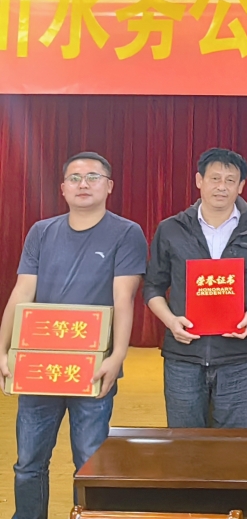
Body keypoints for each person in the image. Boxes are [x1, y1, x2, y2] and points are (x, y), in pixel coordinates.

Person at [0, 152, 147, 519]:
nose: (84, 184)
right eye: (75, 177)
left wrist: (117, 356)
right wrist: (3, 350)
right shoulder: (41, 232)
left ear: (109, 186)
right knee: (28, 462)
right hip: (39, 367)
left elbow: (124, 298)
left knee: (90, 460)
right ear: (63, 188)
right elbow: (22, 292)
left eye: (93, 177)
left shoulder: (127, 233)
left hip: (93, 368)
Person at [144, 148, 247, 429]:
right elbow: (153, 287)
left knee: (235, 444)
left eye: (230, 180)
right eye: (215, 178)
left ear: (241, 186)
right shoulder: (171, 229)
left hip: (238, 358)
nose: (222, 187)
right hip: (183, 357)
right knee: (185, 443)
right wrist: (170, 321)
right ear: (199, 181)